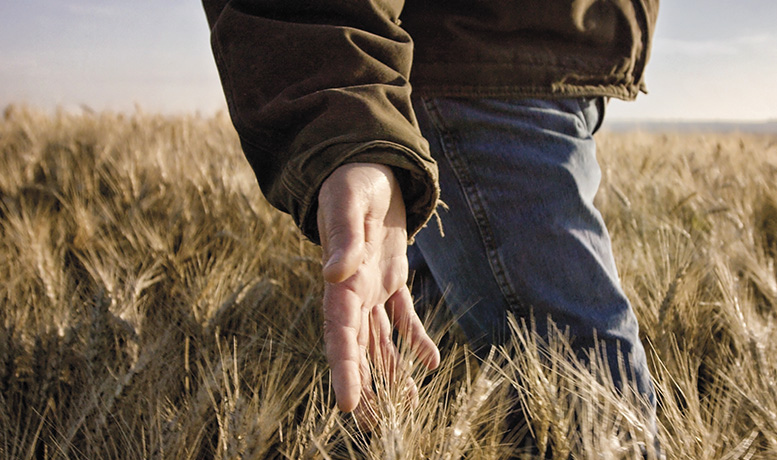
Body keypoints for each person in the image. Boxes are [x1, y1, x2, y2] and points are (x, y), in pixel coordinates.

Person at [202, 0, 659, 425]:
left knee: (427, 351)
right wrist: (350, 121)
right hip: (479, 65)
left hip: (559, 64)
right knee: (592, 381)